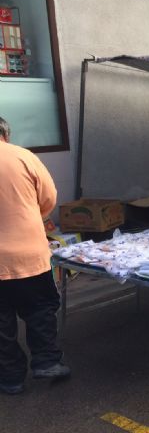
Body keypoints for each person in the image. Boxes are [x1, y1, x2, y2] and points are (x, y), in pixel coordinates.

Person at [0, 117, 69, 395]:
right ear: (5, 134)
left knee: (1, 322)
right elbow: (49, 198)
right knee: (40, 308)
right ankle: (46, 362)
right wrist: (30, 216)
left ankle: (10, 378)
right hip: (29, 255)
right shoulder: (23, 157)